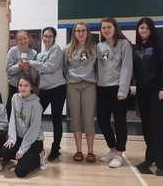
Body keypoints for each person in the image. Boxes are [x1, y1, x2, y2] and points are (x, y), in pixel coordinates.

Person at [132, 17, 163, 176]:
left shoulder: (159, 45)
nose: (143, 31)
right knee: (147, 128)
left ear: (151, 29)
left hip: (157, 92)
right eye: (141, 28)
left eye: (146, 28)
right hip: (143, 93)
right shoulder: (137, 47)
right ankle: (150, 158)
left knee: (158, 127)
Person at [96, 17, 133, 168]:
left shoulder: (124, 44)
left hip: (118, 89)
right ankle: (112, 149)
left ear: (115, 28)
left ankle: (119, 152)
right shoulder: (99, 46)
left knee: (119, 122)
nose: (106, 30)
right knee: (102, 121)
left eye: (108, 27)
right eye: (103, 28)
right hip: (102, 89)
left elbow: (127, 67)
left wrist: (123, 90)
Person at [29, 27, 66, 161]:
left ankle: (56, 149)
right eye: (45, 36)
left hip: (58, 88)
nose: (47, 38)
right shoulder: (39, 55)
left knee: (56, 119)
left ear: (54, 37)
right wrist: (29, 67)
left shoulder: (57, 49)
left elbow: (50, 67)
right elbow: (38, 72)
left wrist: (33, 63)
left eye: (50, 36)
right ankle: (36, 145)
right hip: (44, 89)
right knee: (35, 115)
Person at [0, 75, 45, 178]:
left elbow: (34, 130)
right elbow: (12, 120)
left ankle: (38, 157)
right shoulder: (15, 98)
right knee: (4, 151)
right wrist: (11, 138)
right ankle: (24, 157)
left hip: (34, 141)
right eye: (20, 85)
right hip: (19, 138)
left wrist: (22, 150)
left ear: (31, 87)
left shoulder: (36, 105)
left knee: (20, 172)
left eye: (26, 85)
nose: (22, 88)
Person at [64, 23, 97, 162]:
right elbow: (64, 67)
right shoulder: (67, 49)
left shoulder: (94, 48)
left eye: (83, 30)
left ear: (87, 32)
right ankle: (78, 150)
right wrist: (69, 79)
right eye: (78, 31)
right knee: (76, 118)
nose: (81, 33)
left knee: (88, 118)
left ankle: (90, 151)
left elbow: (99, 66)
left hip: (89, 85)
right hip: (73, 86)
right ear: (74, 33)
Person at [6, 30, 38, 119]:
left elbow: (35, 75)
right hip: (14, 87)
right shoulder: (12, 51)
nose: (23, 41)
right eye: (20, 39)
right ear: (16, 41)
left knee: (26, 114)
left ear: (28, 39)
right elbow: (8, 70)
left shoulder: (34, 53)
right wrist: (19, 66)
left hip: (28, 90)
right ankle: (11, 132)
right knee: (11, 112)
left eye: (25, 38)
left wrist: (28, 70)